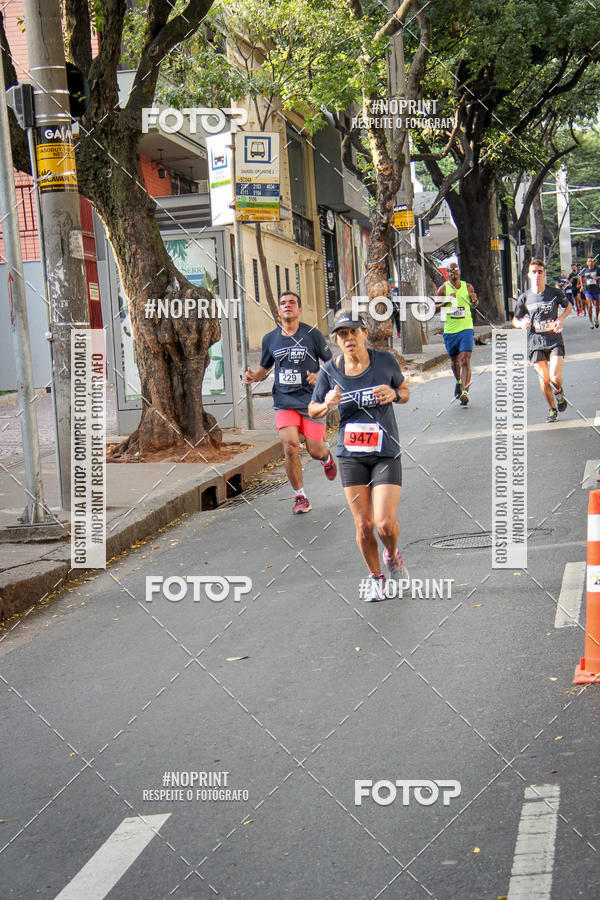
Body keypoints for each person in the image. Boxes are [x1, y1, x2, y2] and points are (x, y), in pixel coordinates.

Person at [308, 310, 410, 602]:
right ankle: (376, 578)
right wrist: (326, 403)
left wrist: (393, 393)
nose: (349, 338)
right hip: (351, 455)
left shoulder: (385, 362)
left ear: (365, 333)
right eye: (342, 334)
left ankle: (392, 555)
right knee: (364, 525)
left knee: (384, 524)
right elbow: (312, 409)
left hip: (385, 452)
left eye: (353, 331)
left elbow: (405, 391)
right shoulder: (330, 371)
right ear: (337, 341)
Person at [244, 291, 337, 514]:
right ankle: (300, 497)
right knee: (290, 447)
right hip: (284, 400)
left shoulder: (312, 335)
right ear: (278, 310)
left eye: (292, 303)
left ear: (299, 309)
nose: (287, 306)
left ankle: (326, 457)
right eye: (283, 303)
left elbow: (331, 364)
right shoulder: (270, 339)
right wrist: (252, 377)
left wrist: (321, 376)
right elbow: (264, 369)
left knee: (315, 451)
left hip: (312, 401)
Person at [512, 258, 572, 423]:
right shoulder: (524, 298)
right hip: (535, 342)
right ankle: (552, 408)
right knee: (544, 380)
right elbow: (515, 320)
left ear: (544, 274)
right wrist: (521, 323)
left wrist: (560, 319)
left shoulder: (554, 293)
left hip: (554, 340)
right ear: (529, 275)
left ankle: (559, 392)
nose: (537, 275)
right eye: (534, 272)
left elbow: (569, 307)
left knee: (555, 377)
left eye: (540, 271)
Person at [435, 262, 478, 405]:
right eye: (450, 271)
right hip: (450, 330)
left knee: (466, 358)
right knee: (455, 361)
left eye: (456, 270)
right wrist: (446, 302)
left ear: (459, 272)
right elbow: (434, 309)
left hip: (466, 327)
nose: (453, 272)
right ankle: (459, 381)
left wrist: (475, 301)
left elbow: (473, 306)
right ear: (447, 273)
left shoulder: (468, 287)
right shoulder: (443, 289)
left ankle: (465, 391)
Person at [579, 256, 600, 329]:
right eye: (589, 261)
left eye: (592, 261)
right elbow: (580, 277)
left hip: (596, 290)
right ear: (587, 263)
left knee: (597, 306)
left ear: (594, 262)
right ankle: (591, 321)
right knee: (590, 305)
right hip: (588, 290)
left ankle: (596, 319)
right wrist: (581, 286)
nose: (590, 262)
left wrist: (597, 278)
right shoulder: (585, 270)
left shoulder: (597, 269)